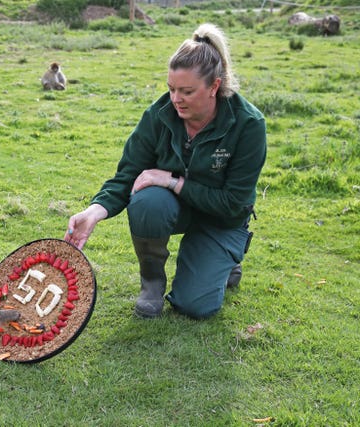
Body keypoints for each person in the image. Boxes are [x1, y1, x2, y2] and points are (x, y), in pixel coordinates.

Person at [64, 23, 267, 319]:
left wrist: (171, 180)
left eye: (187, 91)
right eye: (171, 89)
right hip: (175, 209)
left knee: (194, 306)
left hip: (221, 220)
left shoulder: (248, 125)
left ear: (214, 86)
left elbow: (232, 203)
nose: (175, 99)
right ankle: (151, 283)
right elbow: (128, 174)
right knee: (147, 200)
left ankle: (223, 260)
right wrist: (95, 211)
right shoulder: (159, 115)